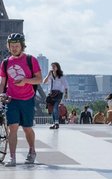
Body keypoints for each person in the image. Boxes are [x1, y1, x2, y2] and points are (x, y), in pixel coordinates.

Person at [2, 34, 42, 165]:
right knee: (12, 128)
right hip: (12, 99)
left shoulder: (31, 60)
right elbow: (3, 82)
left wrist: (25, 81)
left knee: (27, 128)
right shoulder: (5, 63)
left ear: (22, 46)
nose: (14, 48)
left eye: (16, 46)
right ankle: (12, 157)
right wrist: (1, 94)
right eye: (11, 46)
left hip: (27, 99)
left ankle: (32, 150)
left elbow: (39, 79)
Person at [43, 62, 67, 131]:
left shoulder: (61, 76)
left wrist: (66, 94)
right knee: (52, 109)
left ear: (57, 67)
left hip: (59, 94)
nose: (52, 68)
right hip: (51, 94)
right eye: (52, 66)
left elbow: (66, 85)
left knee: (55, 108)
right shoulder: (50, 76)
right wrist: (48, 75)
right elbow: (44, 82)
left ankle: (56, 122)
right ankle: (54, 123)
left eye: (54, 66)